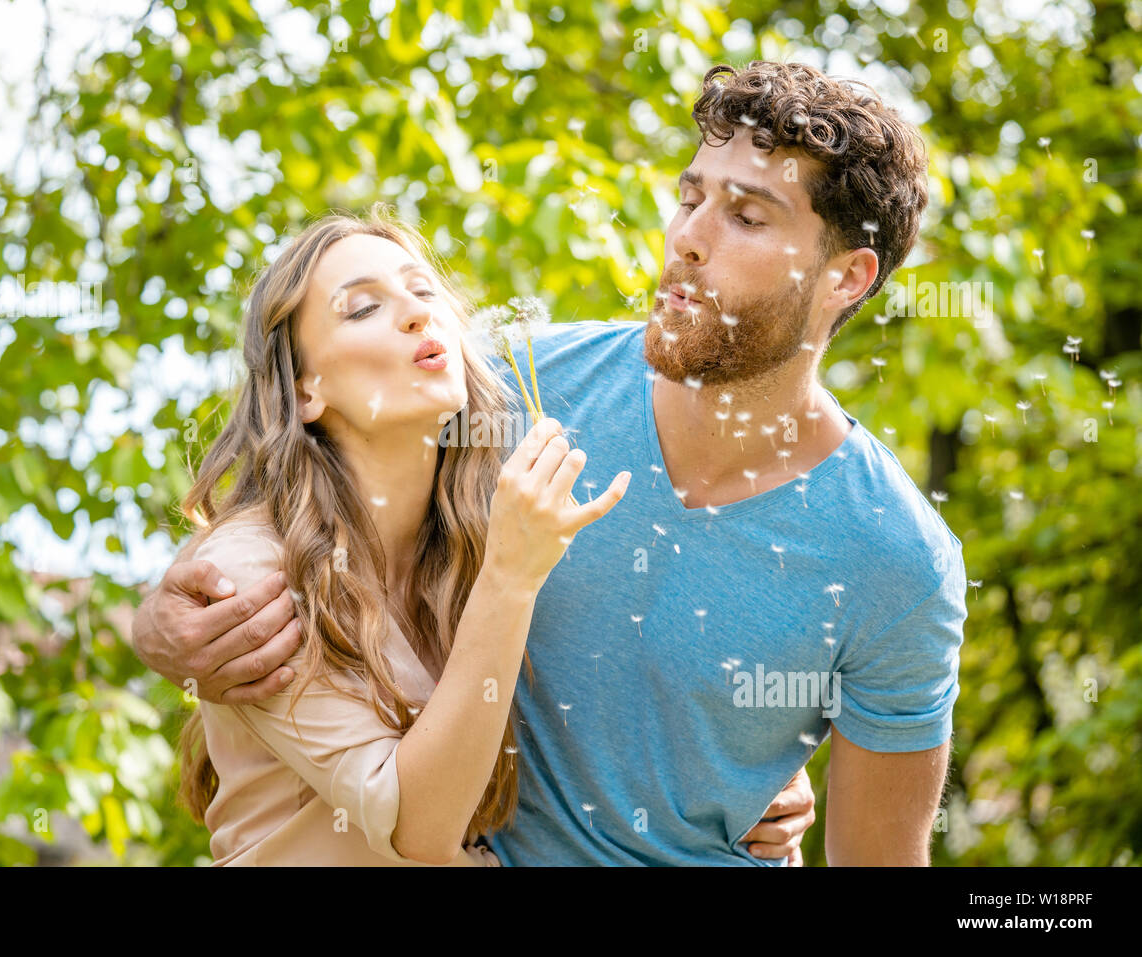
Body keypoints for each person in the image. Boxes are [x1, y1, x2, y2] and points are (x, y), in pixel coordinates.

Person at [140, 59, 965, 866]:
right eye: (690, 198)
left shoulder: (894, 558)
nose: (688, 239)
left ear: (845, 278)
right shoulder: (513, 389)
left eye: (746, 218)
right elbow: (311, 463)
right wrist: (166, 623)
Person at [172, 208, 633, 865]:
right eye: (362, 308)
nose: (418, 314)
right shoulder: (253, 571)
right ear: (305, 390)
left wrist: (755, 773)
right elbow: (418, 825)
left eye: (423, 291)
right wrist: (510, 575)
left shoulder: (475, 535)